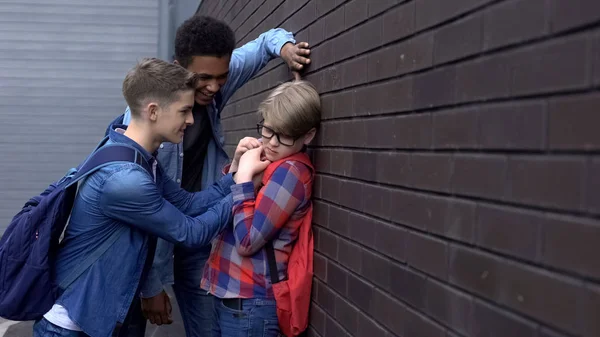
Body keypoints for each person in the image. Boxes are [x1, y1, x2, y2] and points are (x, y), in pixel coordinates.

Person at [33, 58, 269, 337]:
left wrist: (236, 174)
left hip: (97, 319)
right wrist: (243, 188)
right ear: (154, 111)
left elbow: (187, 204)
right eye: (185, 111)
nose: (191, 120)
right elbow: (191, 233)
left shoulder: (140, 158)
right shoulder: (125, 179)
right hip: (71, 325)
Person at [110, 15, 312, 337]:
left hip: (201, 227)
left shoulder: (215, 82)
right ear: (179, 67)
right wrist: (153, 284)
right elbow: (142, 215)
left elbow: (264, 42)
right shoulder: (146, 125)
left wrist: (286, 48)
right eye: (204, 78)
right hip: (157, 237)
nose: (215, 87)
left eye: (223, 77)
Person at [201, 80, 321, 336]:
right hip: (233, 300)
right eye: (268, 130)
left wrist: (244, 177)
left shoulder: (290, 172)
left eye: (285, 135)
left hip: (252, 305)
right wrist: (236, 167)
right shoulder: (269, 160)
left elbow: (247, 241)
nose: (273, 143)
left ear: (308, 135)